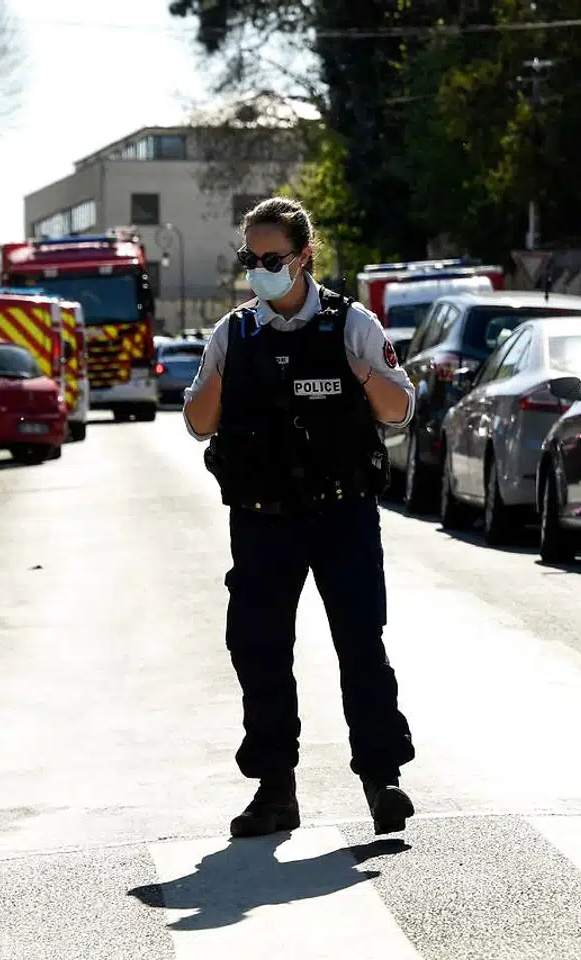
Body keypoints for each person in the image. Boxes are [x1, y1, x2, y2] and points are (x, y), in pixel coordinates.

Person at [183, 197, 417, 838]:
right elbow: (199, 423)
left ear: (304, 255)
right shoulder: (233, 333)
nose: (259, 269)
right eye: (250, 259)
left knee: (360, 645)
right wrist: (222, 374)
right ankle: (275, 790)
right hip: (263, 519)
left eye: (272, 258)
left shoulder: (351, 323)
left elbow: (399, 410)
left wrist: (361, 372)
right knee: (259, 650)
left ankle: (381, 780)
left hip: (342, 512)